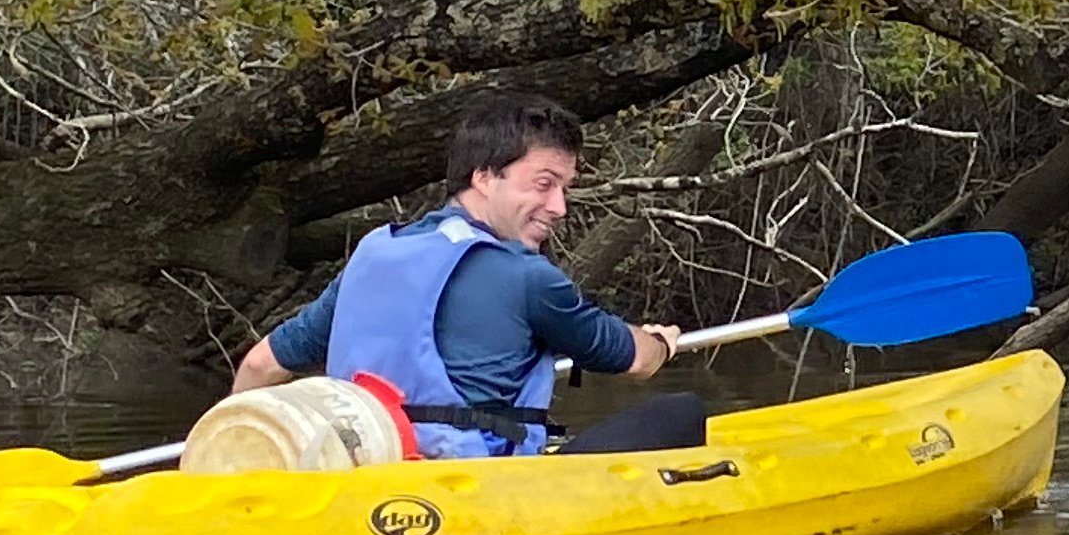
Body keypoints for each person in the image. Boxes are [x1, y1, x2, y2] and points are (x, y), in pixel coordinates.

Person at [233, 96, 712, 457]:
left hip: (372, 481)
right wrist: (661, 342)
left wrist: (232, 453)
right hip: (473, 493)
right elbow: (635, 362)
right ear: (484, 177)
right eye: (544, 184)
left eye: (565, 189)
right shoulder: (528, 279)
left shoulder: (375, 253)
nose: (559, 207)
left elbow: (260, 366)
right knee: (682, 411)